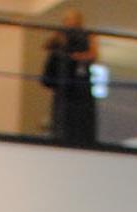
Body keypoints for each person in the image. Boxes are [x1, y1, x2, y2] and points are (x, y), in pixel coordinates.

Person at [40, 10, 97, 146]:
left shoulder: (88, 36)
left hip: (80, 86)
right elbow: (47, 47)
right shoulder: (60, 36)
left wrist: (76, 56)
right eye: (68, 21)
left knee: (80, 118)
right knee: (63, 117)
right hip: (64, 86)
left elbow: (92, 55)